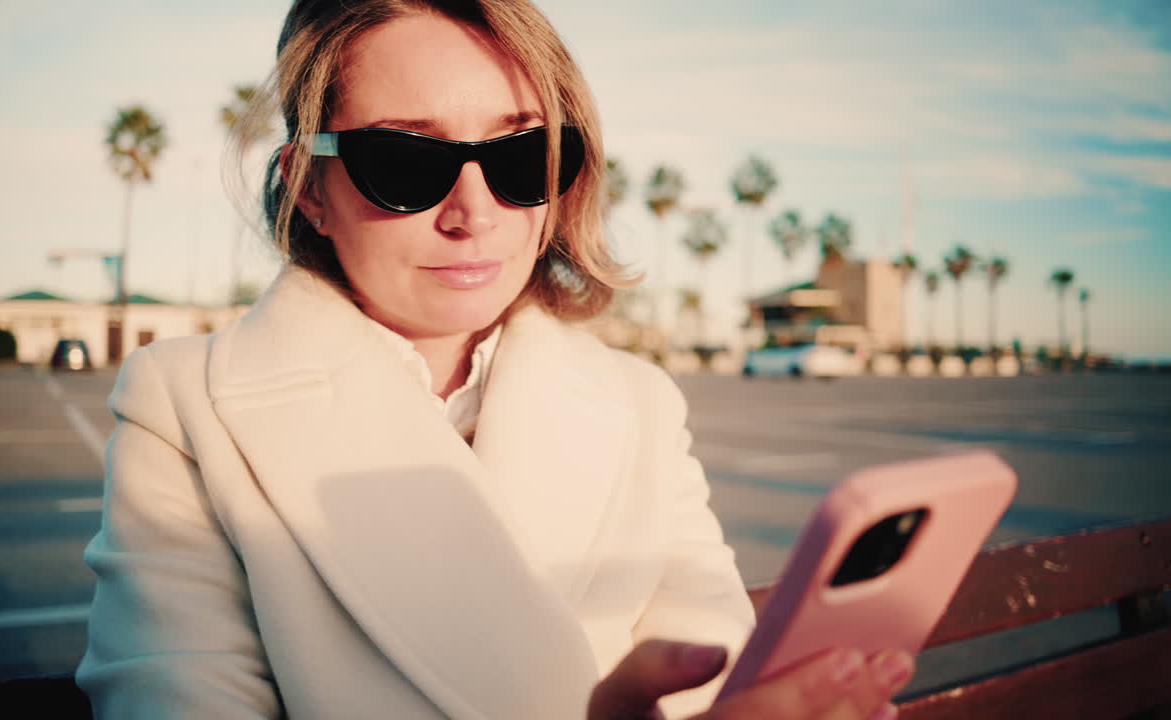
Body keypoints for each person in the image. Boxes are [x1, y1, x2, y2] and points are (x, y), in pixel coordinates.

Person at [76, 1, 914, 718]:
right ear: (309, 189)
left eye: (518, 158)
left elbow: (712, 673)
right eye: (405, 161)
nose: (473, 212)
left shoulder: (639, 405)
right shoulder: (184, 409)